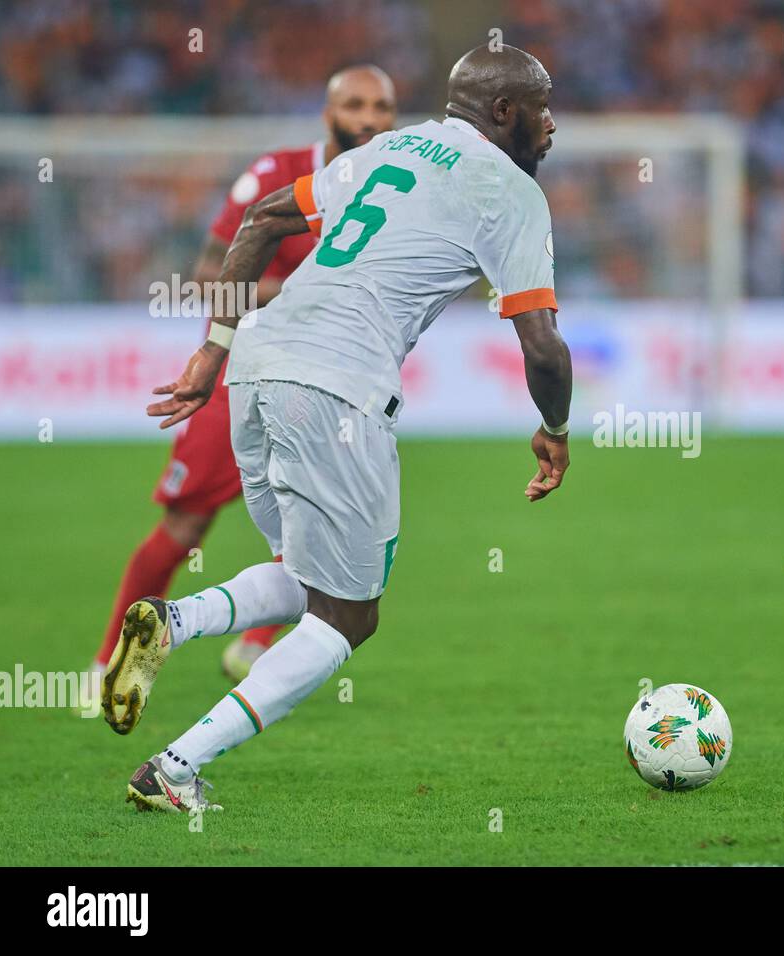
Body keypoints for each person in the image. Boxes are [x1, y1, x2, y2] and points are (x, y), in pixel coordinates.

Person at [101, 44, 572, 813]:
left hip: (255, 367)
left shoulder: (390, 147)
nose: (553, 126)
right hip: (338, 387)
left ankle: (174, 619)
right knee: (349, 615)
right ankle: (175, 767)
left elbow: (257, 223)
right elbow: (543, 346)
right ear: (503, 113)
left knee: (304, 572)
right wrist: (555, 427)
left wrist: (210, 352)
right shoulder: (511, 192)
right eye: (544, 108)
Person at [92, 65, 397, 684]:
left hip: (331, 382)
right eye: (357, 104)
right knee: (185, 523)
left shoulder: (398, 184)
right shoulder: (276, 174)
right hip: (243, 371)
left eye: (383, 107)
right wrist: (305, 293)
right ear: (328, 113)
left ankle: (255, 646)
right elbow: (208, 275)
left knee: (322, 530)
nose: (370, 118)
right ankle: (108, 666)